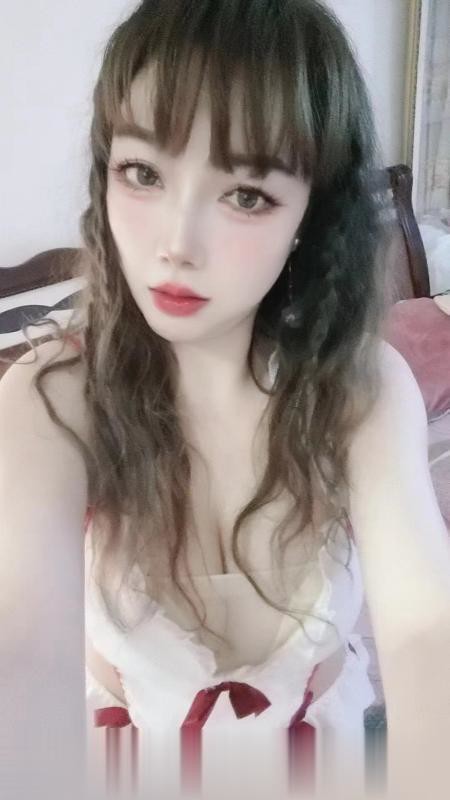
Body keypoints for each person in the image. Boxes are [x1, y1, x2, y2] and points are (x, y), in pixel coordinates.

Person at [2, 1, 450, 799]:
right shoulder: (52, 403)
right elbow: (25, 650)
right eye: (143, 173)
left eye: (246, 194)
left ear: (312, 213)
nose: (177, 243)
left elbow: (425, 630)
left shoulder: (360, 389)